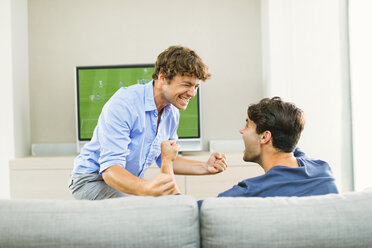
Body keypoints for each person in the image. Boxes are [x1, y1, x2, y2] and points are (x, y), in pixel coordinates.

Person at [69, 46, 227, 200]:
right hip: (92, 181)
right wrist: (147, 190)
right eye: (186, 85)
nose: (192, 93)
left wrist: (205, 167)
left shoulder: (172, 113)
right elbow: (110, 170)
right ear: (163, 78)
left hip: (124, 183)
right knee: (149, 209)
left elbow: (166, 159)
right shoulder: (125, 104)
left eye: (196, 87)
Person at [216, 97, 339, 198]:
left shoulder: (251, 192)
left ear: (264, 137)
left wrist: (200, 168)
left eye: (247, 125)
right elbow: (290, 142)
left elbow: (200, 211)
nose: (241, 130)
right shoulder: (322, 170)